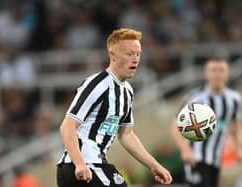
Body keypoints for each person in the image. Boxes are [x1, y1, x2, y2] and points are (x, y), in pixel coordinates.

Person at [56, 28, 172, 187]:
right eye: (129, 54)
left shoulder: (127, 91)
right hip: (84, 165)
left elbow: (126, 135)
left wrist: (154, 165)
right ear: (113, 55)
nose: (135, 59)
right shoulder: (97, 84)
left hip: (89, 166)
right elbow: (67, 126)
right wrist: (80, 163)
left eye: (138, 54)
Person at [171, 57, 242, 187]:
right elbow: (175, 126)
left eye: (221, 70)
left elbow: (236, 124)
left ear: (227, 74)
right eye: (213, 70)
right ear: (206, 74)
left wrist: (239, 148)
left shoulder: (234, 99)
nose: (217, 74)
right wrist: (186, 150)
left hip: (216, 158)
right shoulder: (195, 97)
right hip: (196, 157)